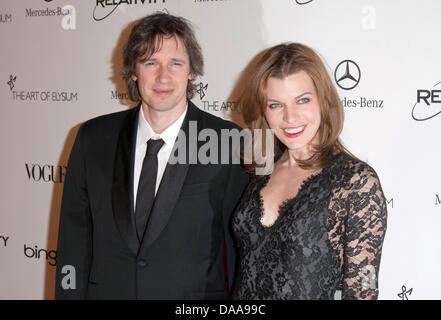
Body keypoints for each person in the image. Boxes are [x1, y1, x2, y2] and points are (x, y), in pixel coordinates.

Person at [55, 12, 249, 299]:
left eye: (176, 63)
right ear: (133, 71)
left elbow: (241, 250)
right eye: (150, 63)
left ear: (191, 71)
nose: (163, 77)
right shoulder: (92, 138)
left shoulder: (229, 141)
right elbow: (73, 242)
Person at [231, 43, 387, 300]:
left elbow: (364, 291)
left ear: (323, 101)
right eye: (275, 105)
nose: (290, 117)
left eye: (302, 100)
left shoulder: (355, 182)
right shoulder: (261, 171)